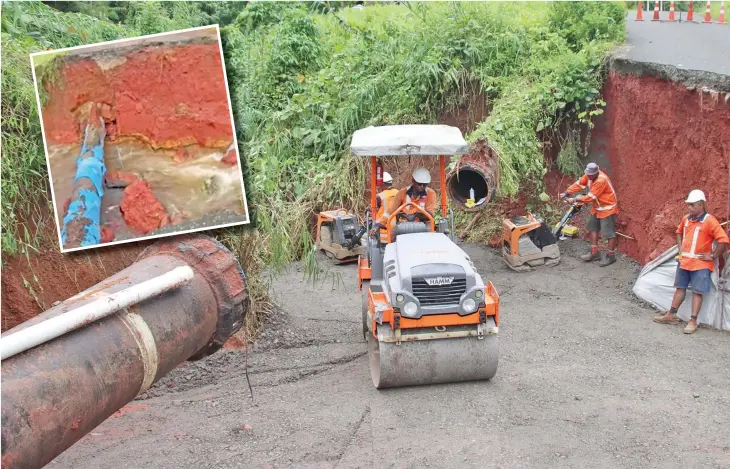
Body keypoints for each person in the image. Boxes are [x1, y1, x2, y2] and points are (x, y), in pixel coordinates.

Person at [653, 189, 728, 334]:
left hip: (700, 264)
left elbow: (723, 240)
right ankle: (671, 314)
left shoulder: (710, 221)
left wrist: (712, 256)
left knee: (697, 292)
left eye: (692, 205)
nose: (689, 207)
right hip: (685, 261)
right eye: (689, 205)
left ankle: (693, 321)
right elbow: (678, 232)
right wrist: (681, 250)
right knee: (680, 288)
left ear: (701, 205)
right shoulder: (686, 219)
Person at [559, 162, 619, 267]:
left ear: (596, 173)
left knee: (608, 233)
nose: (588, 176)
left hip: (607, 208)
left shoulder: (601, 180)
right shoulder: (589, 175)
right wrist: (566, 193)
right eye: (587, 174)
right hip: (597, 207)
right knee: (592, 228)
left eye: (590, 175)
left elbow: (590, 197)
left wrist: (574, 199)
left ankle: (611, 255)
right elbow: (579, 184)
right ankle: (594, 252)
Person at [370, 167, 437, 239]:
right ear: (413, 180)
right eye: (419, 184)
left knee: (431, 236)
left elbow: (430, 213)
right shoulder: (402, 193)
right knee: (392, 235)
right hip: (404, 224)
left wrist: (417, 214)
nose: (422, 186)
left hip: (424, 224)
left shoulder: (431, 194)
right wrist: (379, 224)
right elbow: (390, 211)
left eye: (425, 184)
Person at [374, 172, 399, 244]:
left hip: (383, 231)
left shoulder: (379, 196)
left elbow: (373, 210)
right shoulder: (398, 193)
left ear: (383, 184)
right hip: (397, 231)